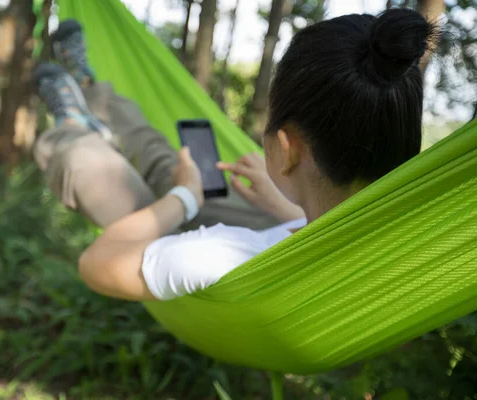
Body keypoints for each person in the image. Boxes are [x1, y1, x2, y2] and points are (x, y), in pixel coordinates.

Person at [34, 9, 434, 302]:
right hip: (287, 225)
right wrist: (285, 208)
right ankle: (90, 89)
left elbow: (96, 263)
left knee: (82, 161)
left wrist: (185, 197)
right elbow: (328, 234)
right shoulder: (405, 250)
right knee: (166, 158)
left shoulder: (217, 254)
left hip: (215, 244)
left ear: (287, 150)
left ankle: (74, 128)